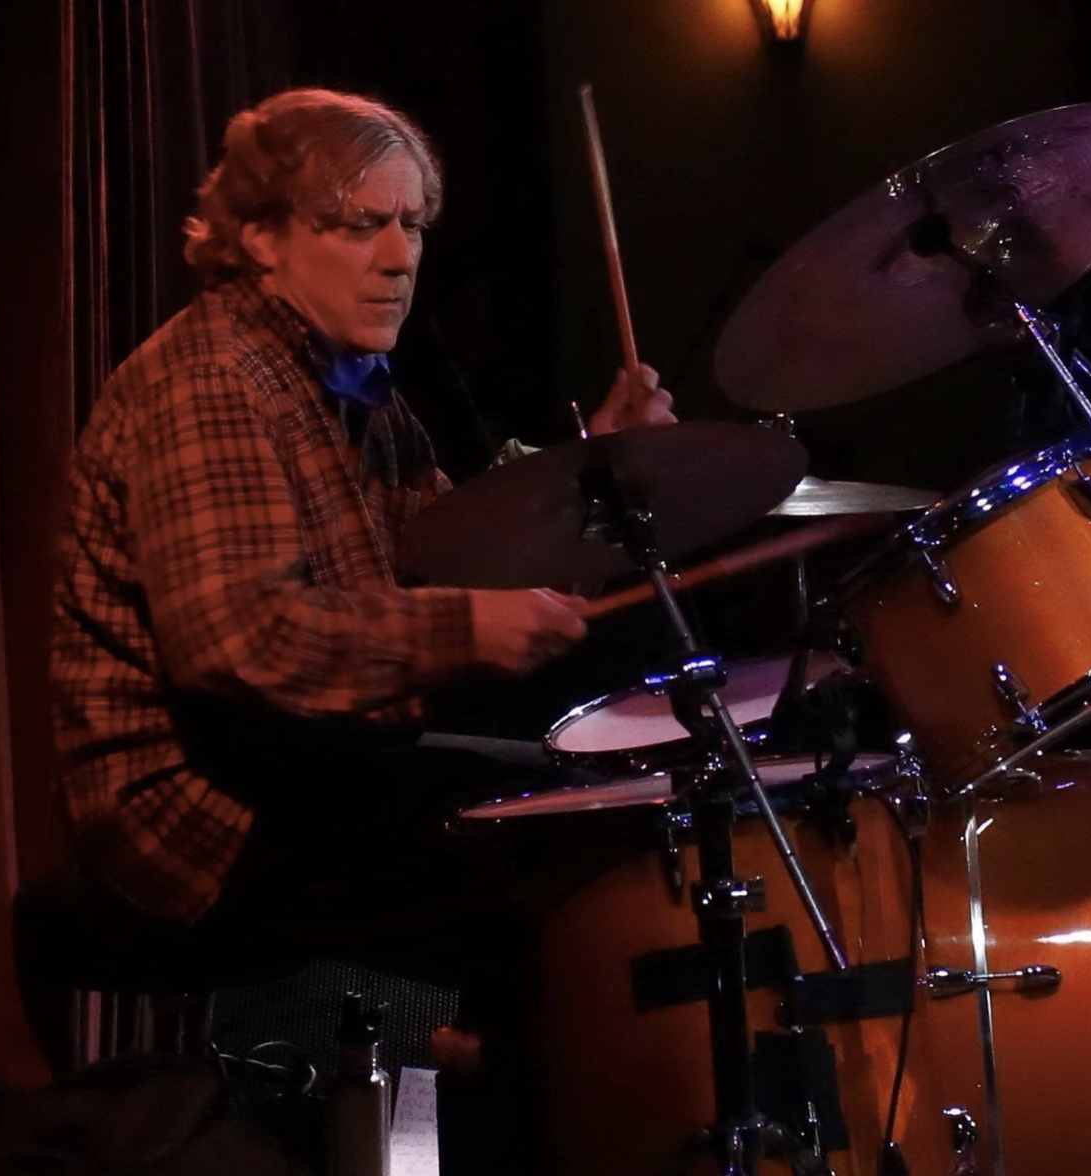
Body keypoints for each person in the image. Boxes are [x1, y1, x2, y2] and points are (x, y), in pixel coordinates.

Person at [49, 86, 673, 995]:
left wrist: (599, 471)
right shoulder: (213, 383)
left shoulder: (354, 384)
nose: (396, 260)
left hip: (315, 764)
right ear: (260, 236)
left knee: (598, 803)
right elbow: (242, 644)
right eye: (358, 226)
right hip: (201, 814)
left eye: (412, 227)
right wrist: (463, 630)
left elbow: (461, 554)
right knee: (556, 880)